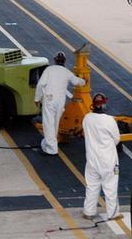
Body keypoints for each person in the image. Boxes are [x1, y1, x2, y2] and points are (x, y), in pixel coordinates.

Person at [35, 52, 86, 155]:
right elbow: (77, 82)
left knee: (48, 123)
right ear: (64, 61)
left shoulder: (49, 70)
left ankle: (51, 149)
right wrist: (84, 81)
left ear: (55, 60)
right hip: (60, 102)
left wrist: (37, 98)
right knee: (55, 124)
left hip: (49, 99)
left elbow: (40, 84)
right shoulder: (67, 72)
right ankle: (48, 144)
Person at [81, 92, 121, 221]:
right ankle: (113, 213)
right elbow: (117, 139)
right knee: (110, 186)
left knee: (92, 186)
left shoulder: (87, 118)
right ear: (104, 105)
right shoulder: (109, 120)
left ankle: (89, 212)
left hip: (92, 159)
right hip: (108, 160)